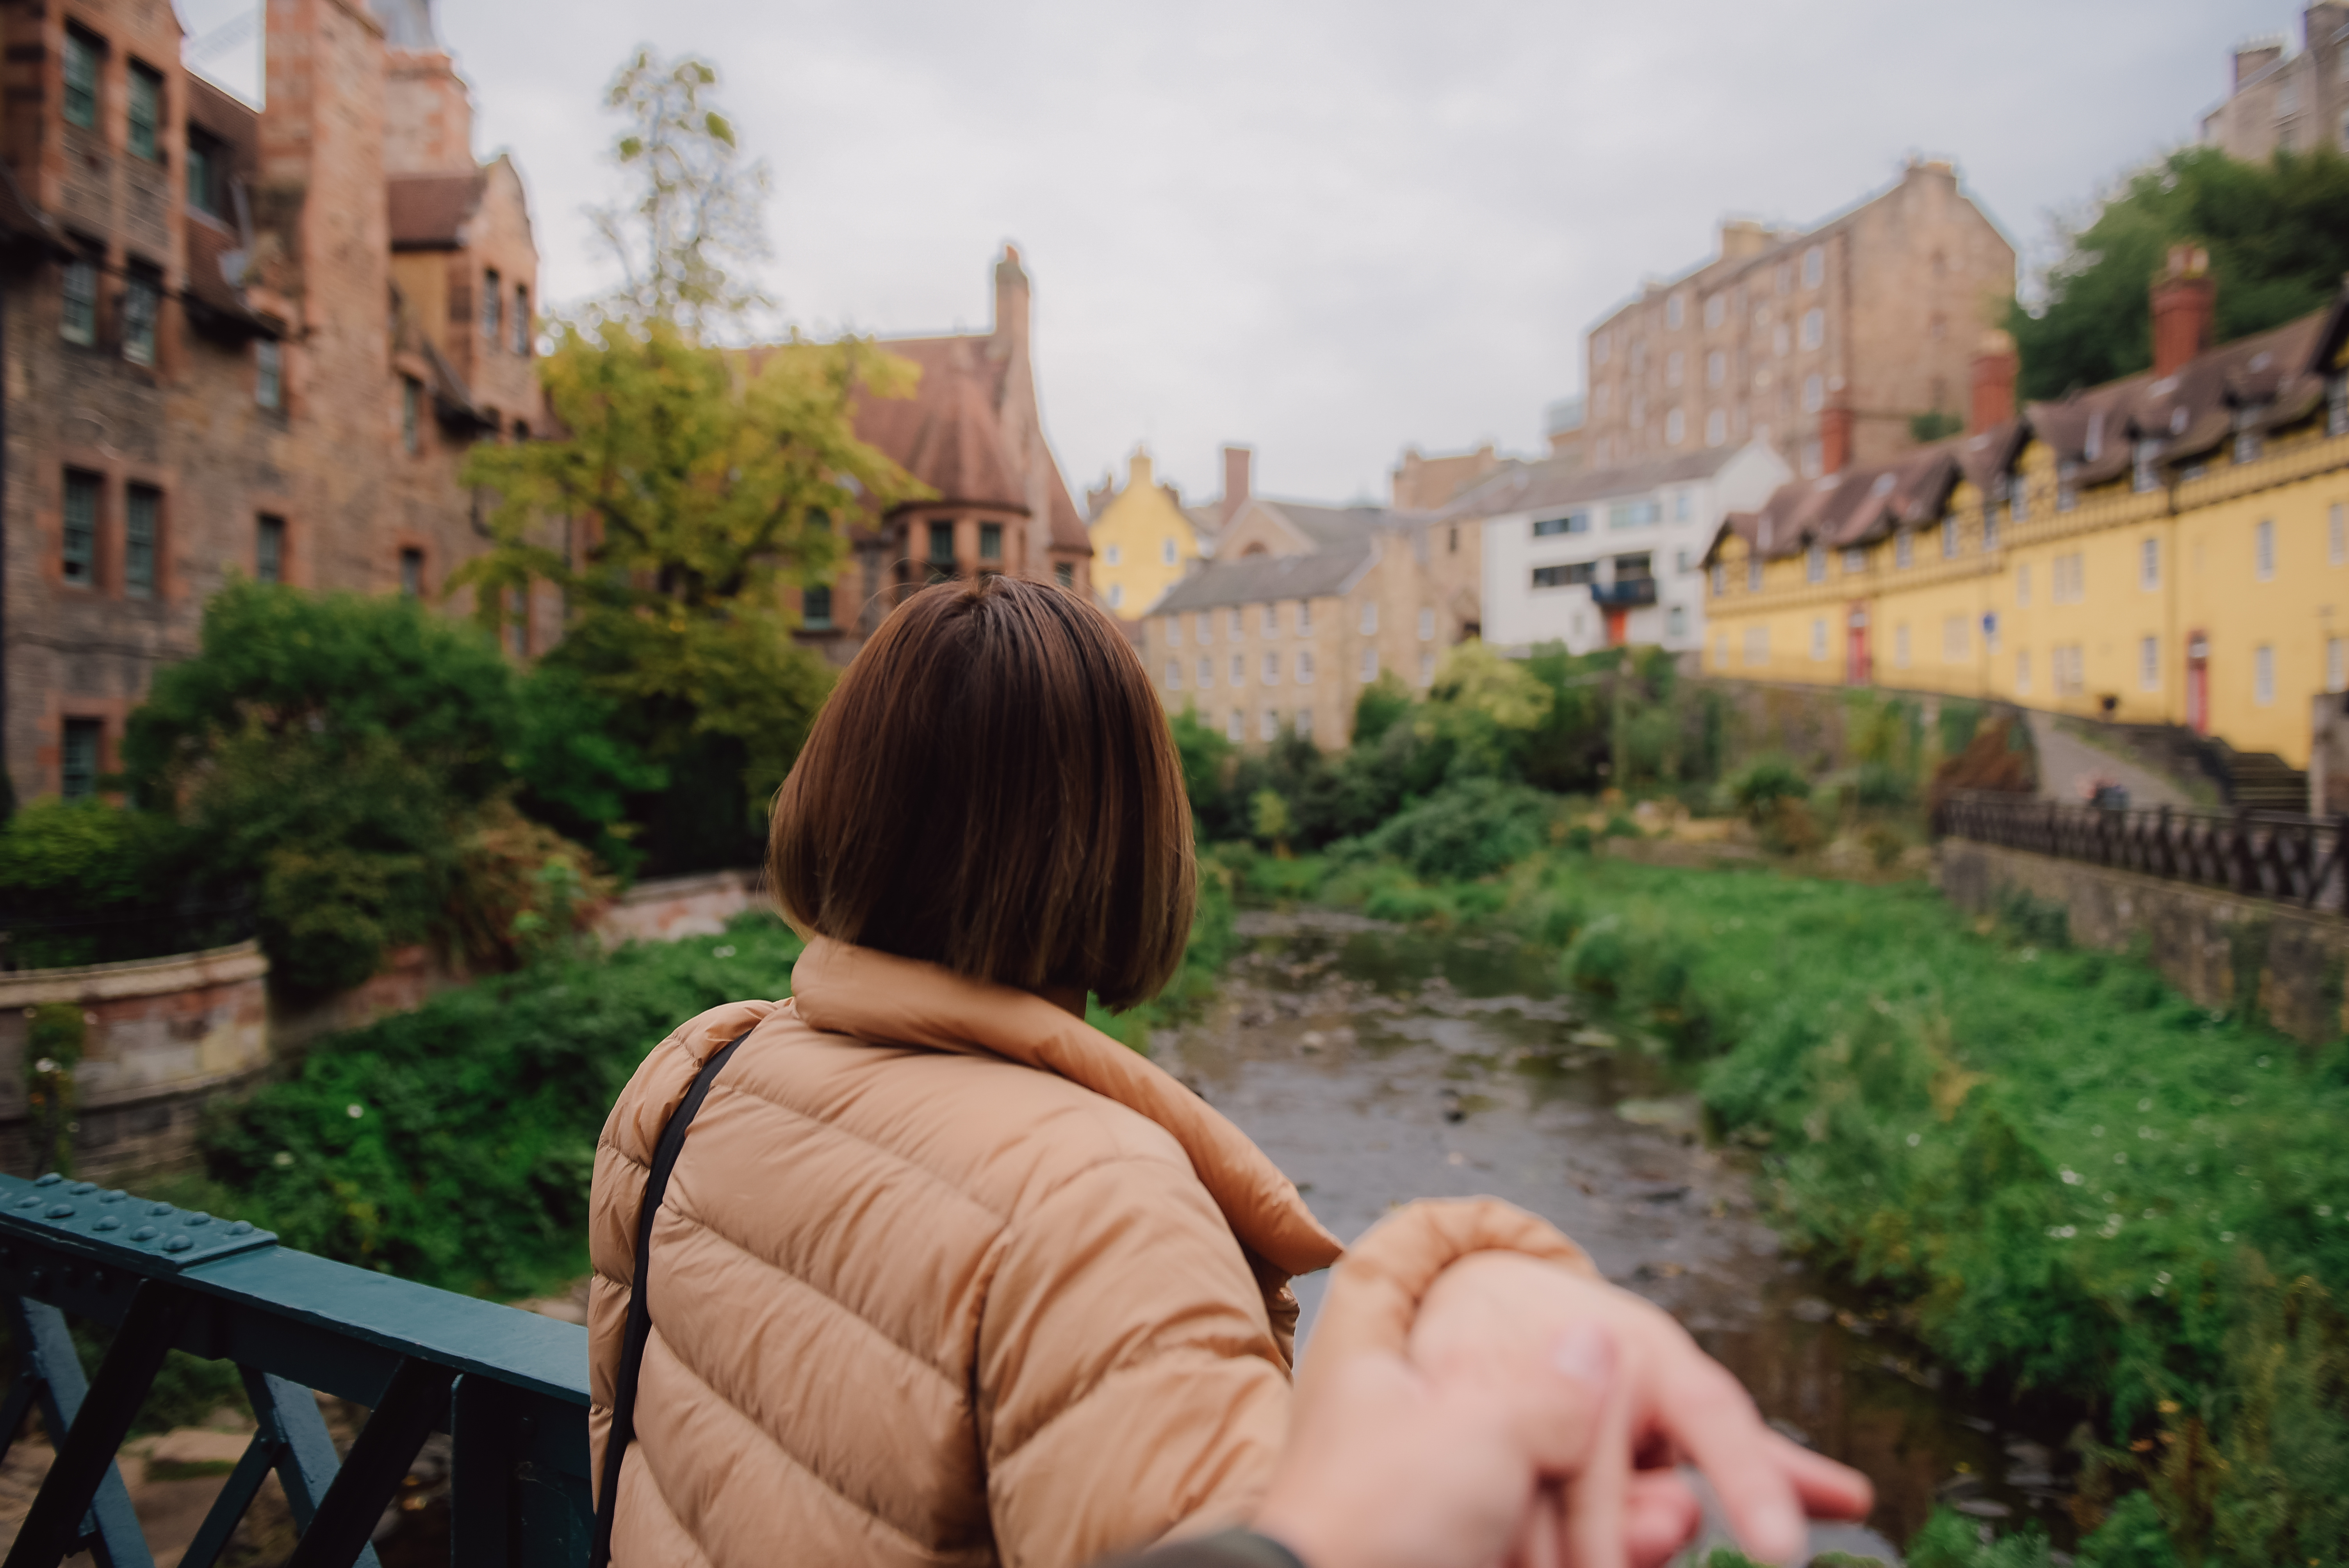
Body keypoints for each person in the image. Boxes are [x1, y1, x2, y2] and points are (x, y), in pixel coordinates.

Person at [588, 576, 1866, 1568]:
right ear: (1129, 840)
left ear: (839, 794)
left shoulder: (696, 1073)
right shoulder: (1099, 1205)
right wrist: (1451, 1279)